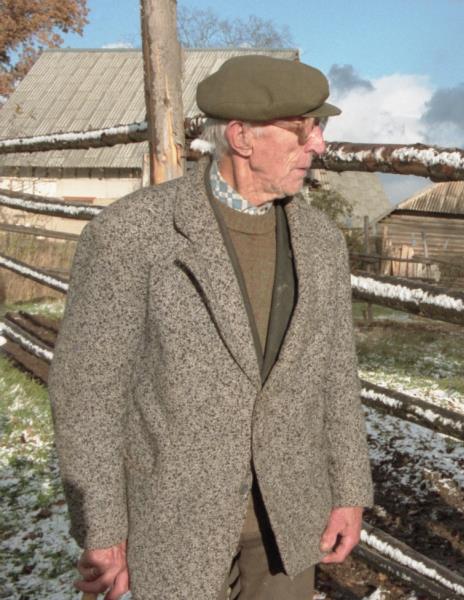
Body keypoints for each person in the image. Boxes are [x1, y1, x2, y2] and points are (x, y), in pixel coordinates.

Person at [49, 55, 374, 600]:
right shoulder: (132, 234)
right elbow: (88, 391)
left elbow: (336, 375)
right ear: (243, 137)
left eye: (320, 127)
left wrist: (349, 491)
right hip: (173, 523)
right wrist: (103, 532)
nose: (319, 145)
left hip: (290, 519)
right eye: (305, 128)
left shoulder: (321, 242)